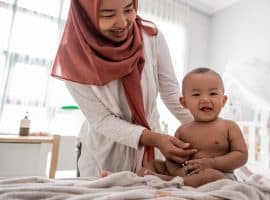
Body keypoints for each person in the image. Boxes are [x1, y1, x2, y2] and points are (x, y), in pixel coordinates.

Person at [51, 0, 197, 177]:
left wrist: (207, 128)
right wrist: (155, 139)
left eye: (128, 9)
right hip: (103, 155)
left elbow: (172, 95)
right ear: (85, 15)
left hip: (149, 155)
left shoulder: (151, 37)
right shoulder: (73, 57)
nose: (122, 22)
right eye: (108, 14)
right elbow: (102, 120)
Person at [136, 67, 248, 187]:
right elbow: (173, 159)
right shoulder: (183, 130)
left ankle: (169, 181)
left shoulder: (229, 126)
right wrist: (177, 171)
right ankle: (174, 179)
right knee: (154, 164)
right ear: (184, 102)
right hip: (189, 174)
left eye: (213, 93)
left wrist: (212, 163)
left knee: (209, 175)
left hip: (221, 176)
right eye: (196, 94)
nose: (205, 99)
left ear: (223, 100)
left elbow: (241, 155)